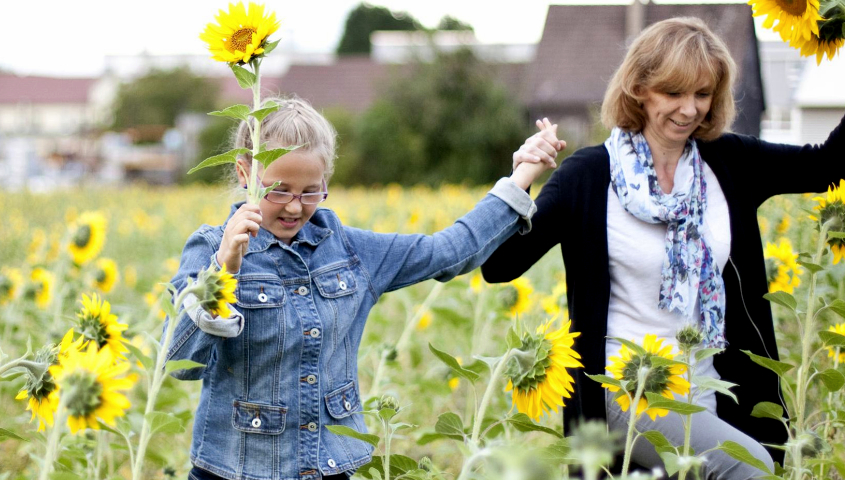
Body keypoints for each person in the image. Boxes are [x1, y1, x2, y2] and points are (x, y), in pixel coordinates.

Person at [482, 17, 845, 478]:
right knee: (748, 466)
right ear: (639, 89)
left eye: (702, 94)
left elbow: (827, 167)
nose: (689, 110)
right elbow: (500, 264)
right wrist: (520, 178)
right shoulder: (589, 176)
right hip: (625, 386)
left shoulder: (729, 161)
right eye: (673, 94)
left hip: (707, 384)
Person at [163, 97, 566, 480]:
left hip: (330, 468)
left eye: (311, 192)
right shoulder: (210, 247)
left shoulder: (350, 251)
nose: (293, 207)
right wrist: (225, 269)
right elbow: (181, 360)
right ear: (244, 174)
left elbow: (448, 251)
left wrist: (522, 176)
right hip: (234, 470)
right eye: (278, 189)